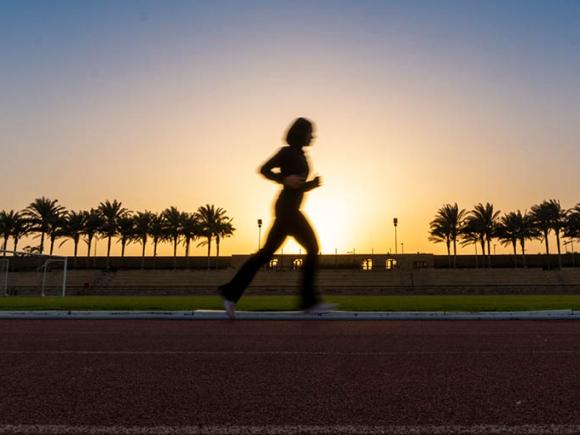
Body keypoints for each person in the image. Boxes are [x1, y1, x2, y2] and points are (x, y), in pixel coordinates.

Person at [218, 117, 335, 319]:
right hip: (287, 210)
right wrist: (283, 179)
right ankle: (309, 302)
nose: (312, 136)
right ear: (300, 133)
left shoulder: (301, 155)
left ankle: (230, 292)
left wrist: (311, 185)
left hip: (289, 209)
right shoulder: (287, 152)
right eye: (309, 132)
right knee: (313, 248)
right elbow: (263, 170)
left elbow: (296, 185)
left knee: (265, 254)